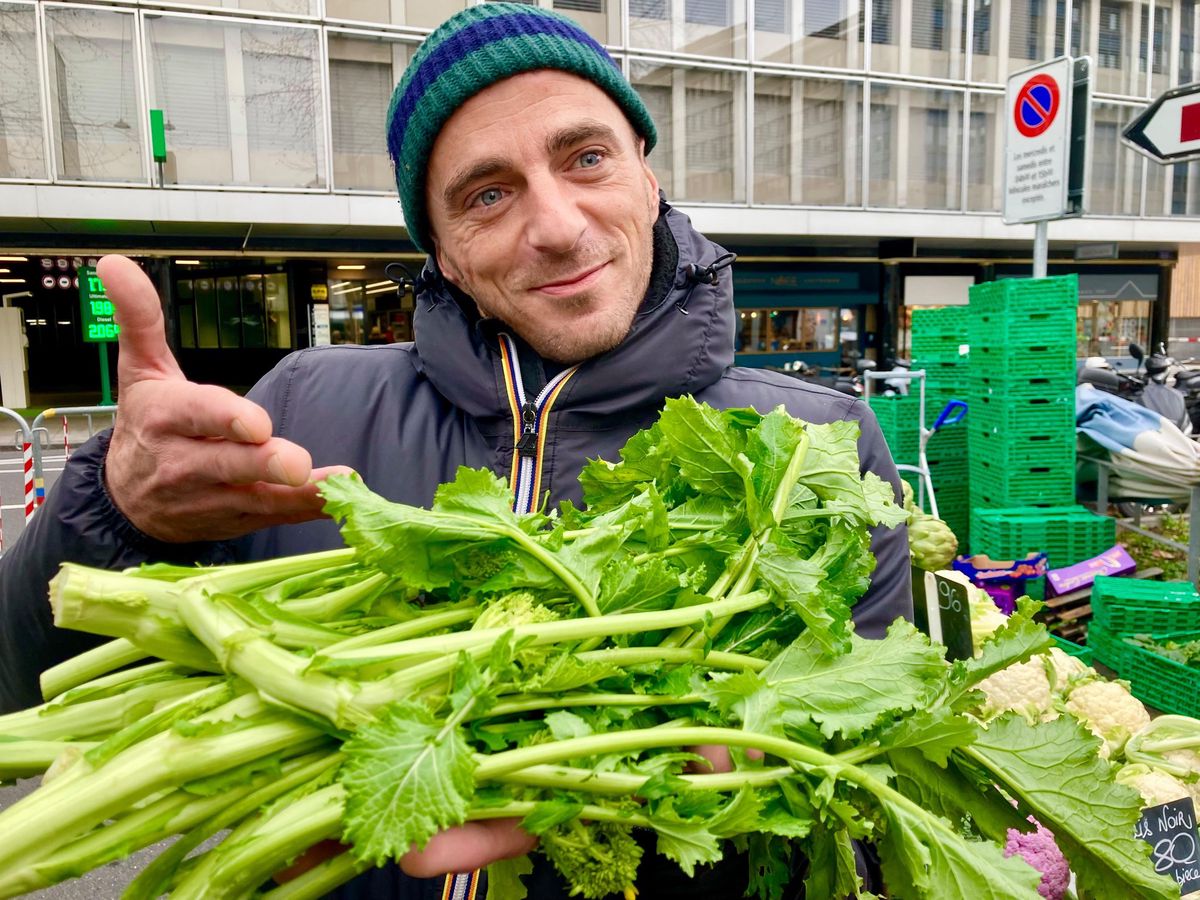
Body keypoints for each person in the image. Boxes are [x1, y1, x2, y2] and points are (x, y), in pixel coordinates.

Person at [0, 4, 911, 897]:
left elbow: (862, 817)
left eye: (586, 157)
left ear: (646, 172)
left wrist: (743, 784)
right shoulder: (297, 407)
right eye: (488, 193)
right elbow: (19, 690)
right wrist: (114, 510)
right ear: (441, 249)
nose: (555, 225)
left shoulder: (818, 449)